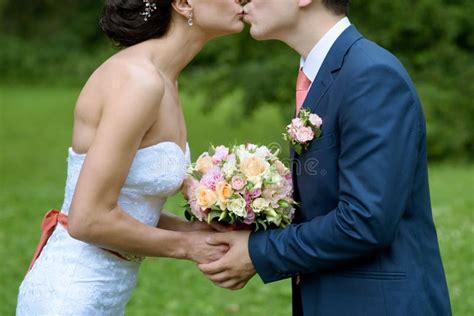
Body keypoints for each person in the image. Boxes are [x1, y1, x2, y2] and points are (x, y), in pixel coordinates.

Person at [198, 1, 452, 315]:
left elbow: (365, 220)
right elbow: (327, 201)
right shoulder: (321, 71)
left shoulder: (371, 75)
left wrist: (259, 252)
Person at [16, 0, 244, 314]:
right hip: (69, 295)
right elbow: (88, 219)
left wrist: (202, 232)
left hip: (106, 294)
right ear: (182, 4)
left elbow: (132, 208)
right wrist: (189, 247)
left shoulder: (164, 79)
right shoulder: (139, 81)